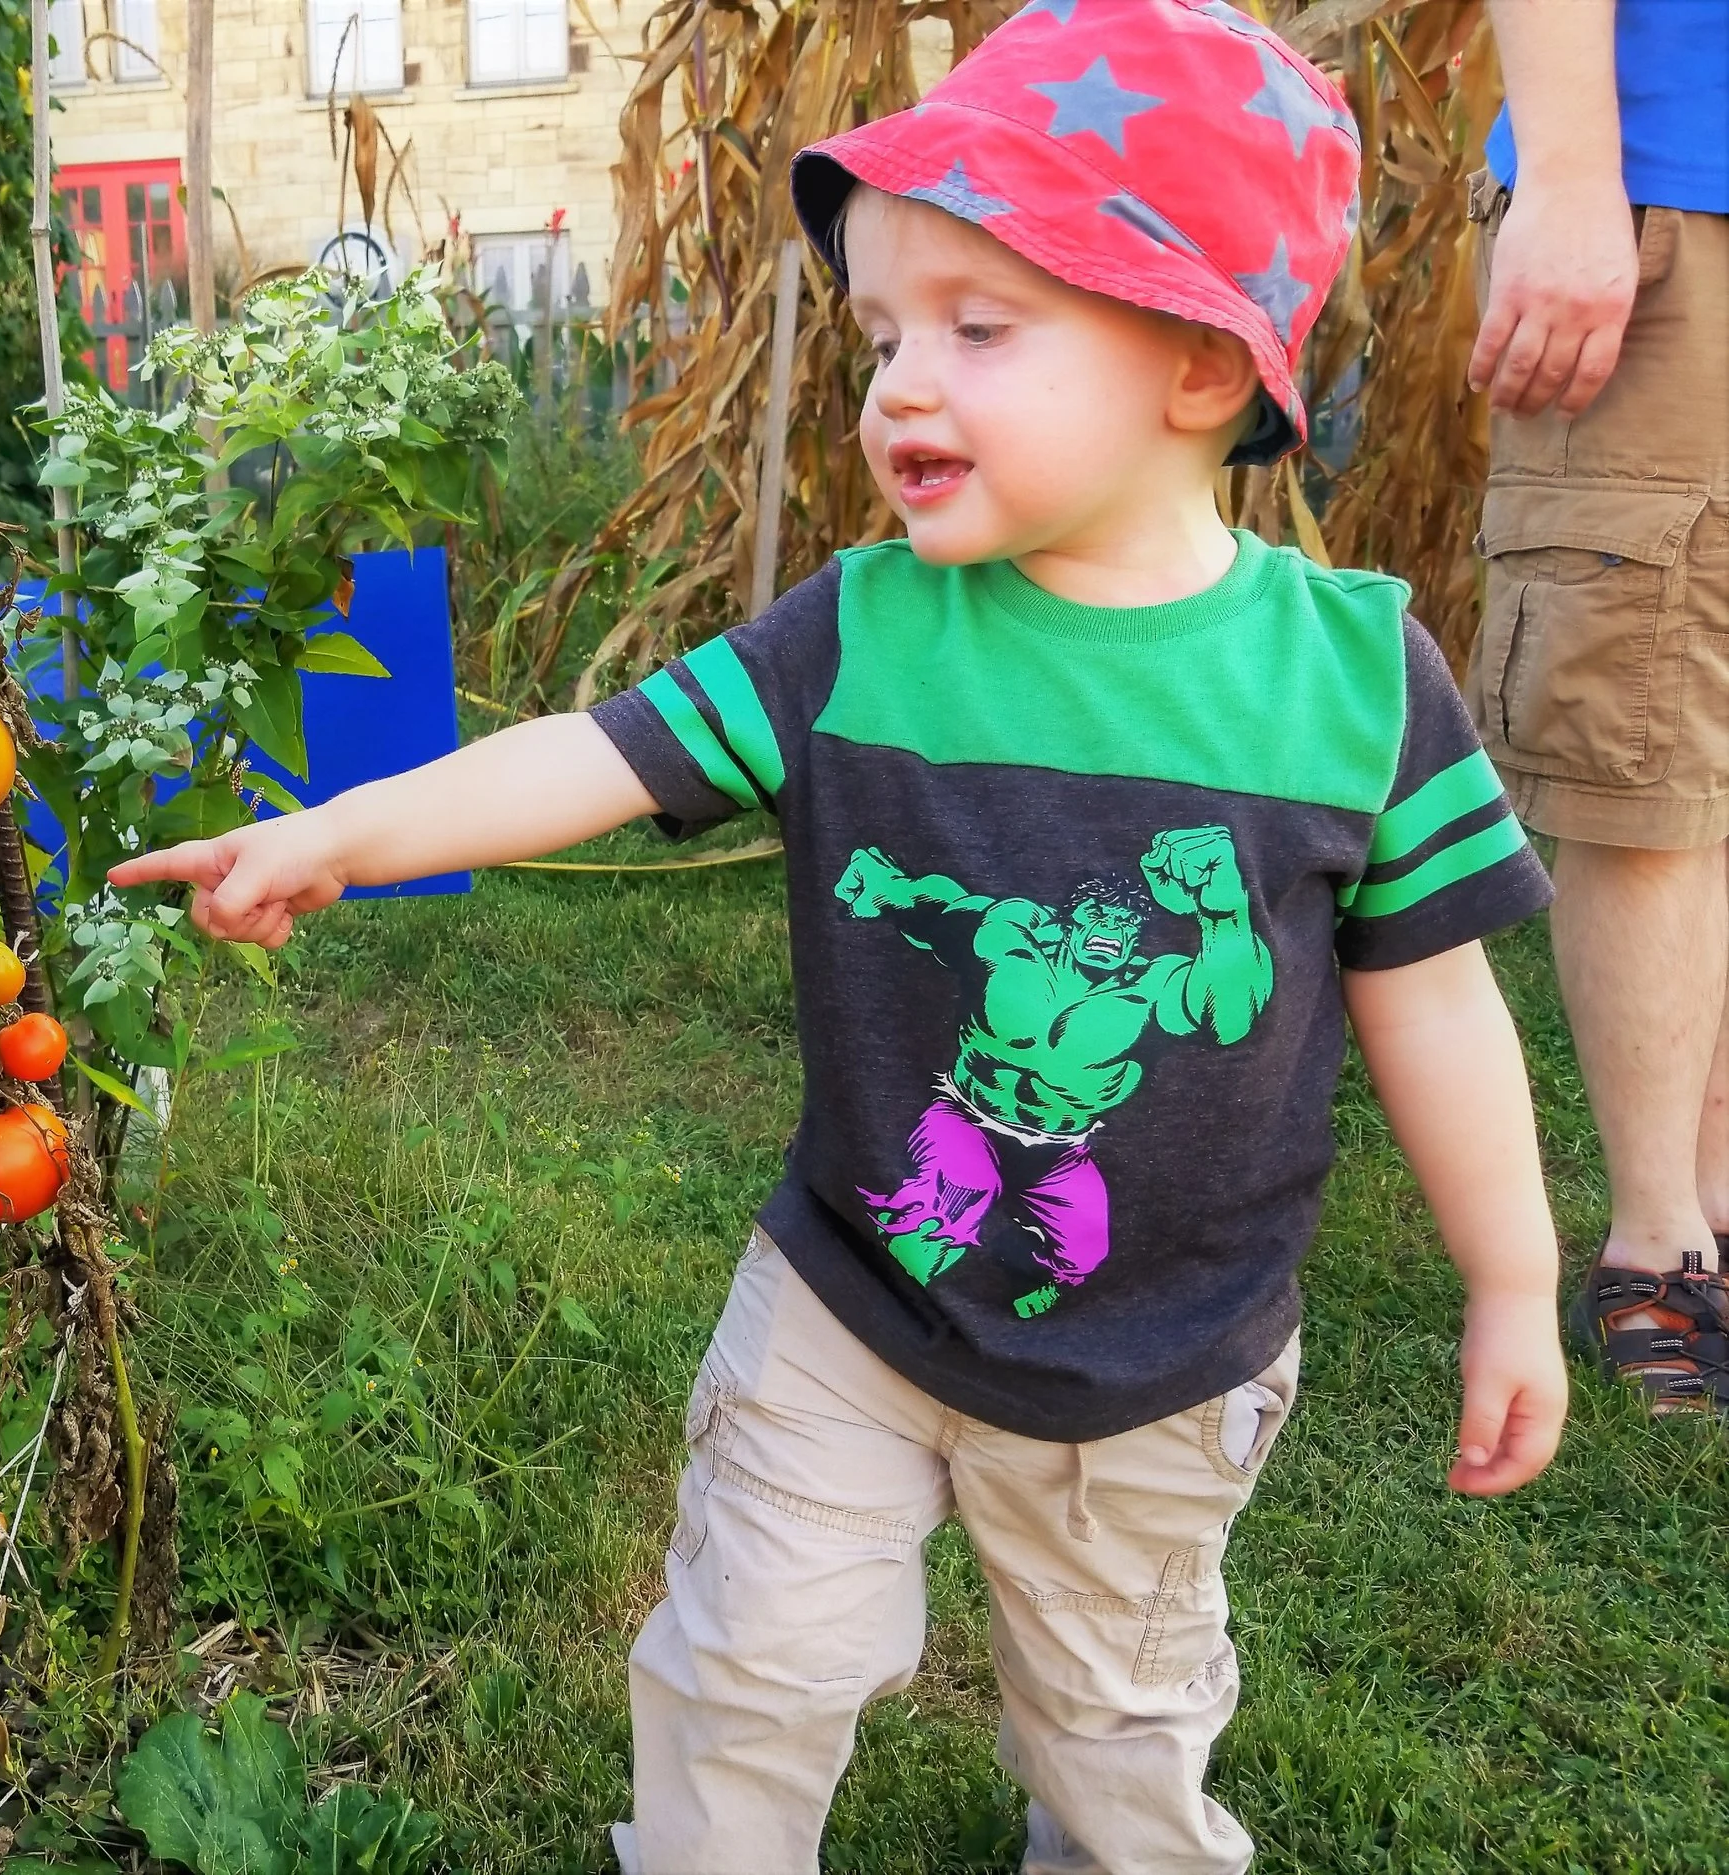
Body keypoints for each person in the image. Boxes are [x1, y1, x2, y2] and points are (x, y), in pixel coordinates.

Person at [114, 2, 1570, 1868]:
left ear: (1204, 365)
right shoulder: (862, 632)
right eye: (885, 332)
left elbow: (1435, 1000)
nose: (894, 385)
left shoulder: (1354, 682)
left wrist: (1515, 1281)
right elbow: (602, 752)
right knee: (748, 1666)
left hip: (1168, 1362)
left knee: (1117, 1732)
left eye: (978, 325)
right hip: (852, 1297)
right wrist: (340, 834)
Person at [1463, 0, 1729, 1417]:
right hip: (1675, 179)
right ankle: (1657, 1236)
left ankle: (1723, 1200)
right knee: (1646, 732)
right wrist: (1571, 175)